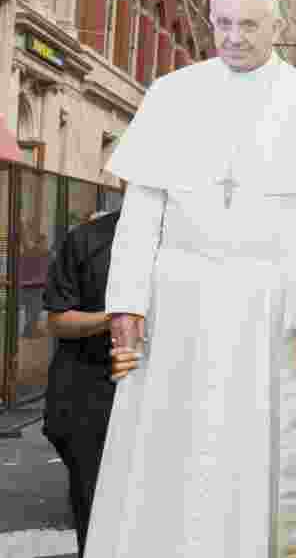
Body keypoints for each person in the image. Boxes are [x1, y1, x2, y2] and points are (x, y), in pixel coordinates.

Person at [93, 0, 296, 558]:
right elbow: (141, 212)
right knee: (169, 451)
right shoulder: (172, 94)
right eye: (222, 23)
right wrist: (125, 303)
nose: (233, 36)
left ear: (277, 28)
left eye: (248, 25)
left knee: (259, 454)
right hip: (179, 311)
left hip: (271, 311)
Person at [41, 210, 121, 558]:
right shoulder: (88, 238)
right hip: (91, 391)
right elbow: (58, 319)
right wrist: (116, 317)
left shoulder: (193, 243)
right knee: (97, 507)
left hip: (165, 394)